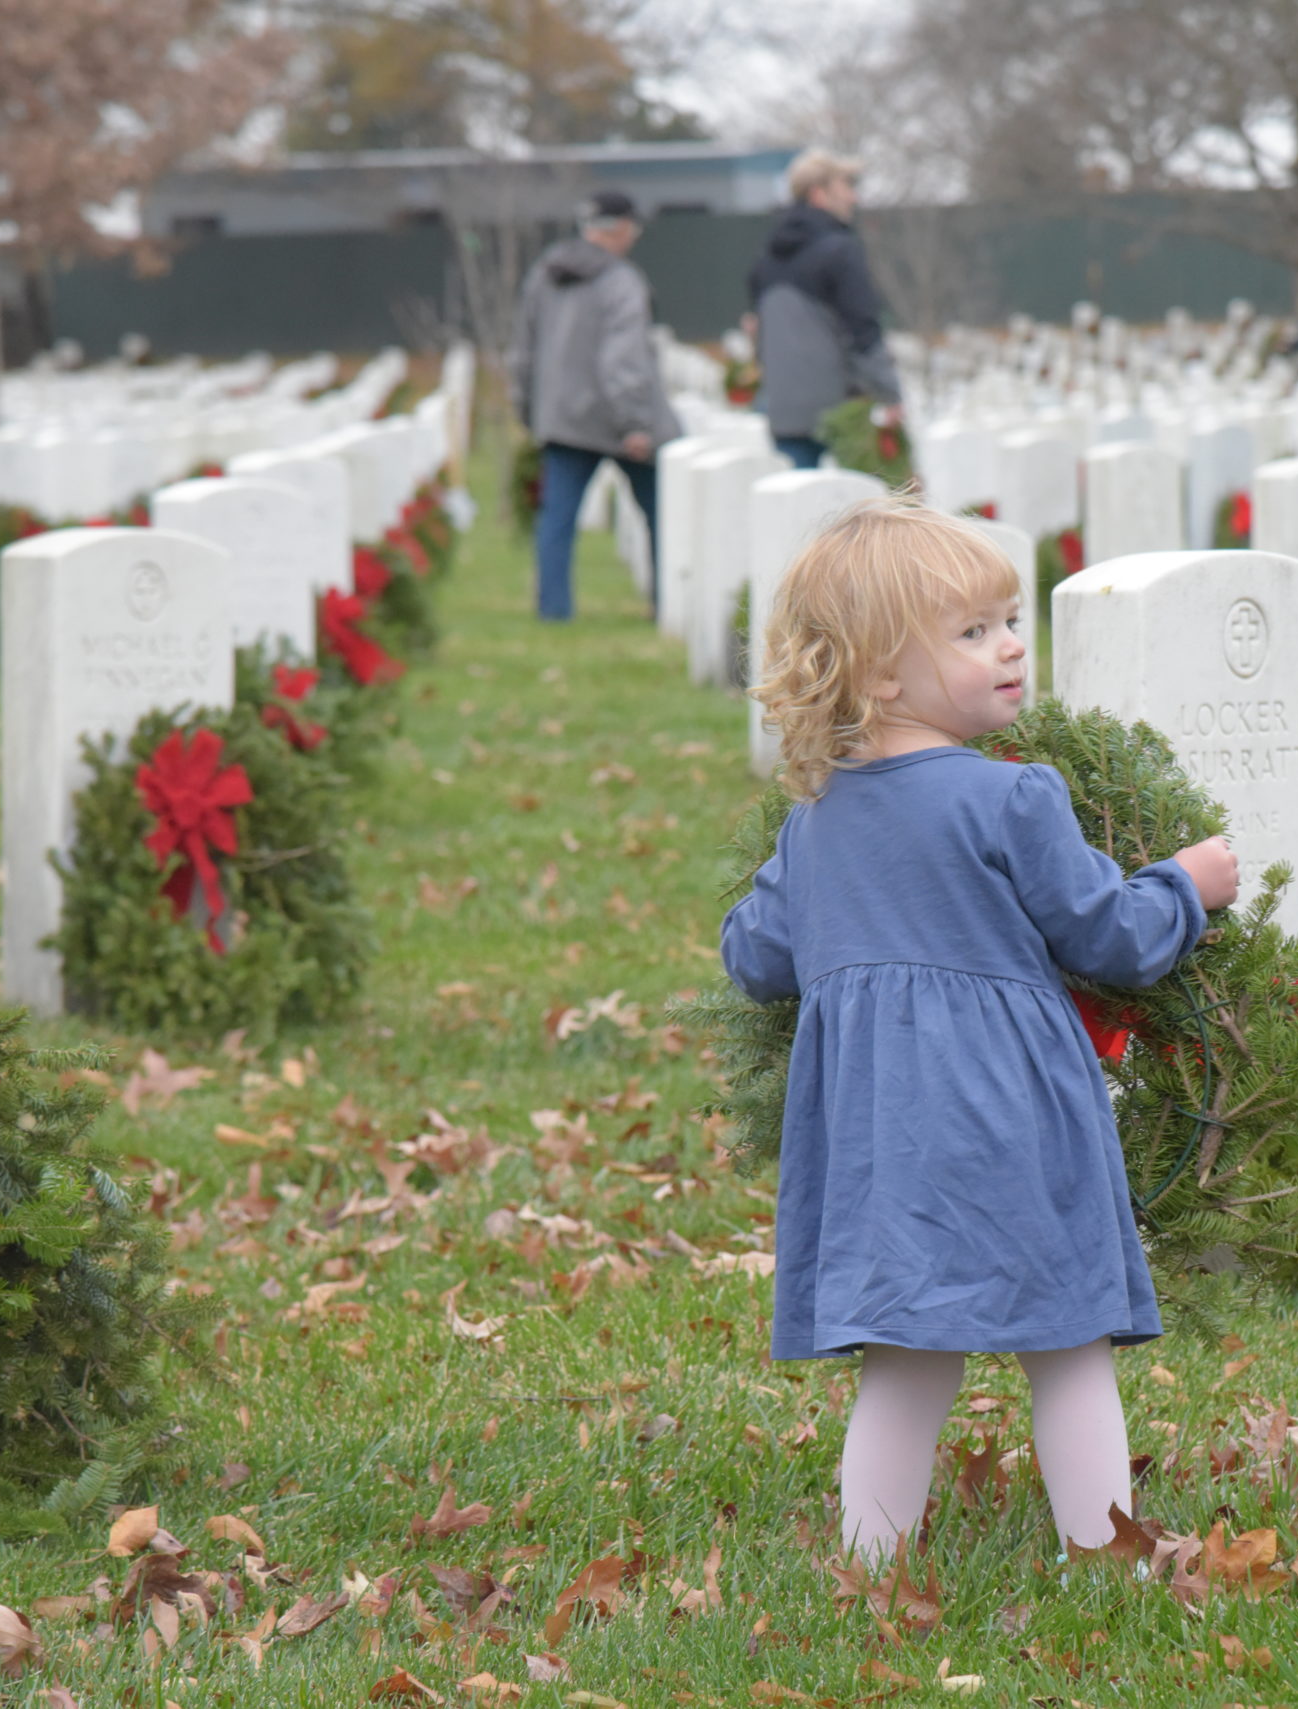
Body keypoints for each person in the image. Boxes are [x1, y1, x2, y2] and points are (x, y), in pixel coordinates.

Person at [721, 498, 1237, 1562]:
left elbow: (754, 958)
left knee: (907, 1352)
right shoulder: (1013, 800)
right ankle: (1104, 1556)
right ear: (876, 675)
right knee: (1068, 1341)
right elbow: (1114, 937)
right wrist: (1186, 883)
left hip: (880, 1136)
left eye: (1008, 620)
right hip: (1014, 1115)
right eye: (971, 631)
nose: (1009, 645)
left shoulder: (816, 819)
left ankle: (870, 1566)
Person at [508, 188, 681, 622]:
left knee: (558, 519)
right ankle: (669, 604)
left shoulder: (544, 274)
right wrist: (635, 423)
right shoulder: (621, 280)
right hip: (620, 421)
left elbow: (522, 350)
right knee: (662, 511)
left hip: (562, 418)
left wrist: (528, 410)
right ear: (621, 228)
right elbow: (624, 358)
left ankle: (553, 611)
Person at [747, 149, 903, 470]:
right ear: (819, 194)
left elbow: (758, 335)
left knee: (799, 512)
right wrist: (891, 395)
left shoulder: (766, 260)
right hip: (839, 412)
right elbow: (863, 330)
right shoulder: (840, 251)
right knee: (857, 512)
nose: (854, 198)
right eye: (846, 187)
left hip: (782, 409)